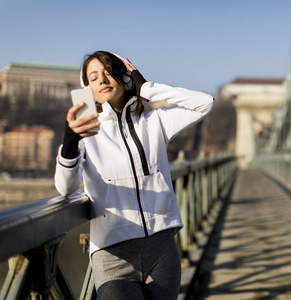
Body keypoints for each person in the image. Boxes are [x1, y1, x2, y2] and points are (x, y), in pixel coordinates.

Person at [54, 50, 215, 299]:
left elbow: (204, 103)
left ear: (125, 78)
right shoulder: (86, 135)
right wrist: (70, 143)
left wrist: (147, 88)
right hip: (112, 256)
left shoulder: (154, 122)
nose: (103, 80)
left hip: (162, 250)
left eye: (109, 73)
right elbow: (66, 188)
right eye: (94, 77)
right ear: (87, 89)